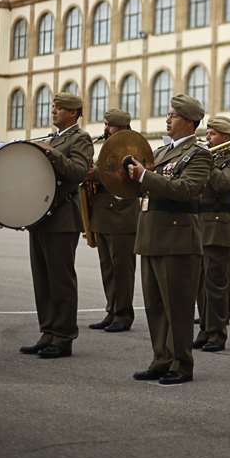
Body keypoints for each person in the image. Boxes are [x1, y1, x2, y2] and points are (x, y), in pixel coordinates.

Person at [128, 93, 211, 386]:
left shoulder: (199, 155)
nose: (167, 119)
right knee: (154, 306)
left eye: (173, 115)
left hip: (177, 238)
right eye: (168, 114)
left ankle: (181, 364)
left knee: (177, 307)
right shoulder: (161, 152)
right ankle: (160, 360)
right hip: (150, 234)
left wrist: (144, 176)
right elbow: (146, 187)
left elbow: (184, 189)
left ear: (189, 121)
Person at [20, 92, 93, 359]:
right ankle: (47, 332)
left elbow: (79, 172)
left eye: (59, 107)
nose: (53, 110)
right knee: (42, 280)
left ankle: (63, 337)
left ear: (73, 113)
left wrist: (52, 153)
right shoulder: (52, 138)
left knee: (61, 281)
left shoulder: (80, 139)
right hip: (41, 216)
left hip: (62, 218)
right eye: (53, 106)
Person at [194, 115, 230, 352]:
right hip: (199, 225)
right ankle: (205, 330)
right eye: (207, 133)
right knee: (200, 285)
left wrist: (207, 162)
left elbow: (223, 183)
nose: (207, 137)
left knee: (215, 285)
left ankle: (217, 334)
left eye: (212, 134)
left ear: (225, 137)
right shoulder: (209, 157)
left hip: (218, 226)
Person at [87, 109, 139, 333]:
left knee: (122, 269)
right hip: (104, 214)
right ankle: (112, 311)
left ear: (123, 127)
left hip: (121, 216)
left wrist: (95, 174)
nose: (106, 128)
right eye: (105, 124)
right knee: (108, 268)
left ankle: (124, 315)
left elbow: (125, 176)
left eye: (110, 125)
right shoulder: (109, 145)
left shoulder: (132, 147)